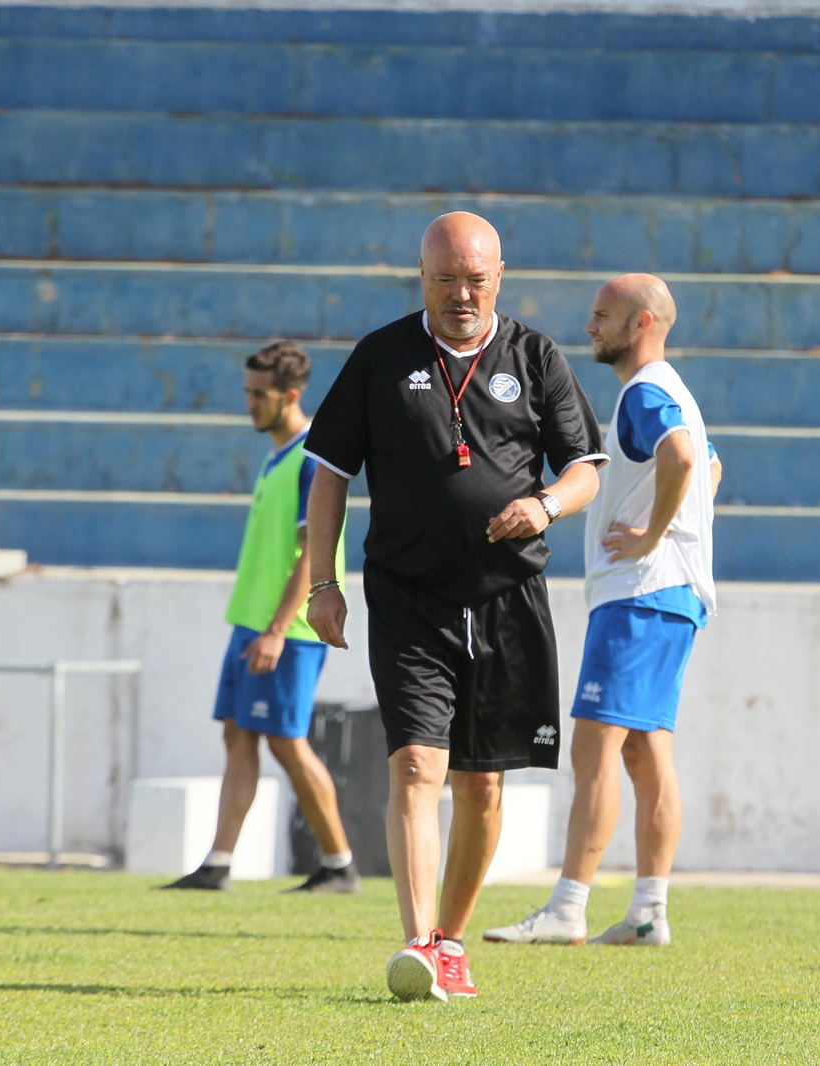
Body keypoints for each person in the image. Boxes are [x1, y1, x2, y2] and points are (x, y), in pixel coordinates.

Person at [301, 212, 608, 1001]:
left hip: (508, 597)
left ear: (499, 276)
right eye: (446, 281)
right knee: (414, 767)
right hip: (408, 598)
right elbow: (331, 472)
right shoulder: (381, 356)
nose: (461, 295)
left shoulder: (536, 356)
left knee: (482, 786)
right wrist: (321, 583)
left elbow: (585, 470)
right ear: (422, 277)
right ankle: (414, 942)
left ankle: (451, 940)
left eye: (475, 280)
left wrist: (545, 506)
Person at [483, 274, 719, 948]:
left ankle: (568, 908)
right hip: (672, 592)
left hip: (641, 593)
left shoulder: (646, 392)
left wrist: (649, 536)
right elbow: (708, 466)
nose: (590, 328)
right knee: (647, 756)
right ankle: (649, 912)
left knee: (594, 748)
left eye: (602, 316)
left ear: (641, 322)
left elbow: (679, 457)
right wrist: (676, 528)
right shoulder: (674, 392)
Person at [162, 341, 357, 895]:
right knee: (239, 734)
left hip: (287, 630)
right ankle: (218, 863)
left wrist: (276, 629)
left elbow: (311, 552)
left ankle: (339, 864)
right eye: (247, 392)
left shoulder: (311, 458)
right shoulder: (279, 453)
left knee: (286, 741)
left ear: (290, 395)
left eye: (258, 394)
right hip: (251, 622)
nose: (248, 403)